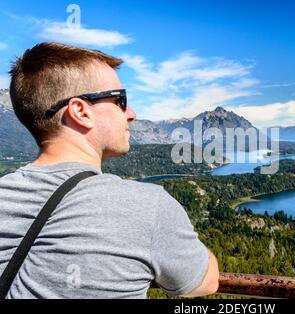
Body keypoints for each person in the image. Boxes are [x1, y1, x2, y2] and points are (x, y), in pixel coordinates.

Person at [0, 42, 219, 299]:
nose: (132, 114)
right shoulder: (147, 206)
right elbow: (205, 282)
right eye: (120, 100)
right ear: (81, 112)